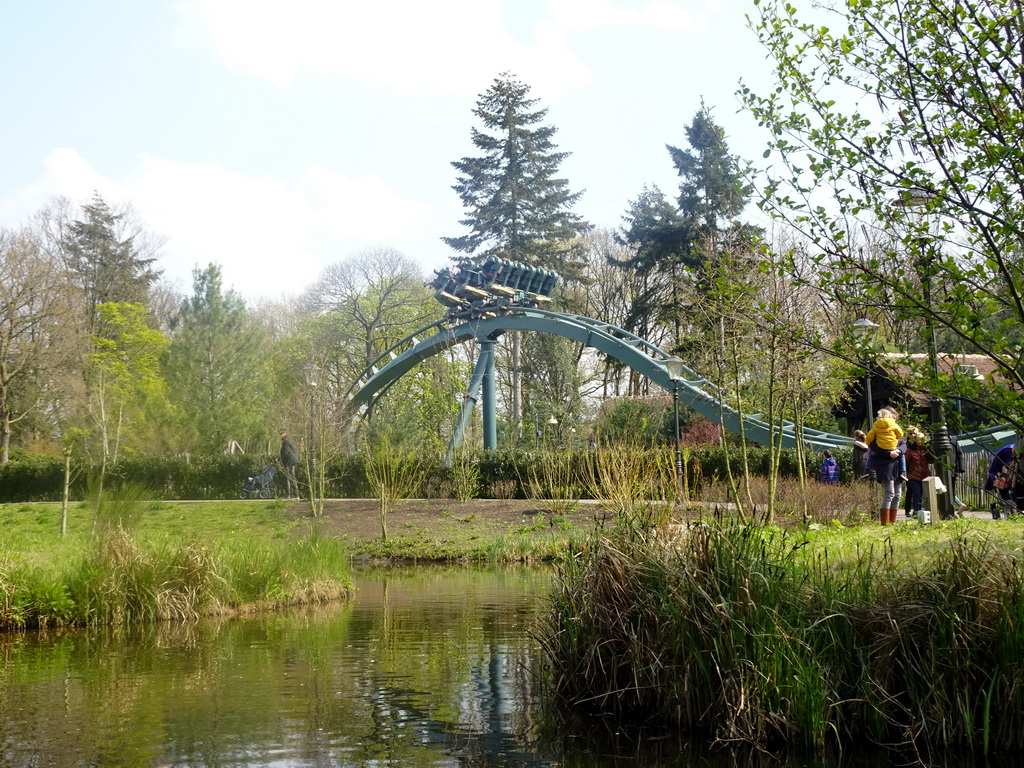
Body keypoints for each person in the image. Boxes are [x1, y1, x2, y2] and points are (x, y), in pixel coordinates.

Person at [872, 436, 908, 526]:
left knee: (897, 495)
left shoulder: (896, 433)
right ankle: (885, 522)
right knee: (889, 493)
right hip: (885, 467)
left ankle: (892, 521)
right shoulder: (879, 434)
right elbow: (874, 447)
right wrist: (889, 453)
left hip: (897, 468)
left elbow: (904, 445)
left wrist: (898, 450)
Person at [865, 408, 907, 481]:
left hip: (882, 448)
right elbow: (901, 435)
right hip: (893, 448)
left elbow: (869, 437)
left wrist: (867, 443)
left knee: (872, 454)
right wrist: (898, 449)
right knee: (902, 457)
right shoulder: (894, 425)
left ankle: (869, 470)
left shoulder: (875, 426)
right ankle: (903, 472)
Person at [903, 428, 933, 518]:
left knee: (924, 494)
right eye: (918, 440)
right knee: (917, 494)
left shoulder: (926, 450)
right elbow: (906, 462)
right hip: (913, 476)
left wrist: (930, 450)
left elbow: (932, 460)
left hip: (925, 475)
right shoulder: (910, 450)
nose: (920, 442)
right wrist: (905, 474)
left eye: (921, 440)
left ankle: (924, 512)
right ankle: (916, 511)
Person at [986, 441, 1019, 518]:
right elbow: (995, 466)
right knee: (1005, 489)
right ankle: (1011, 506)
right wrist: (993, 476)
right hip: (1004, 474)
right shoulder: (1008, 450)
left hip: (1014, 474)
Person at [279, 429, 300, 499]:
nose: (280, 435)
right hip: (292, 460)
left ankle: (289, 494)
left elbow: (285, 452)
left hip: (289, 461)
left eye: (282, 433)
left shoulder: (286, 441)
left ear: (286, 433)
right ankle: (295, 494)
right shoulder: (290, 439)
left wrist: (279, 459)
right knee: (291, 477)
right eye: (280, 433)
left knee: (287, 477)